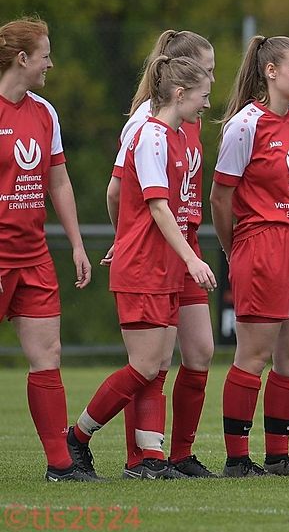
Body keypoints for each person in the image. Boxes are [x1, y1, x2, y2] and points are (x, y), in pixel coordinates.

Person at [66, 56, 217, 479]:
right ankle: (76, 437)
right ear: (179, 93)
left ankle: (149, 460)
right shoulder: (151, 135)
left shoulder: (175, 136)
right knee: (145, 366)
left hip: (163, 267)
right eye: (203, 96)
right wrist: (191, 258)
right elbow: (157, 207)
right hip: (144, 267)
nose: (206, 104)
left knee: (157, 367)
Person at [210, 35, 289, 477]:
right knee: (252, 356)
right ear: (270, 71)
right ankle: (237, 458)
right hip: (262, 242)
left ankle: (278, 455)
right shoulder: (245, 124)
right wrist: (234, 246)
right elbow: (221, 197)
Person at [0, 17, 93, 481]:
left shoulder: (44, 112)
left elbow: (58, 178)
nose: (50, 64)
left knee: (47, 354)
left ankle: (61, 465)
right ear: (23, 59)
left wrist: (76, 243)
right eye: (45, 55)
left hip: (33, 255)